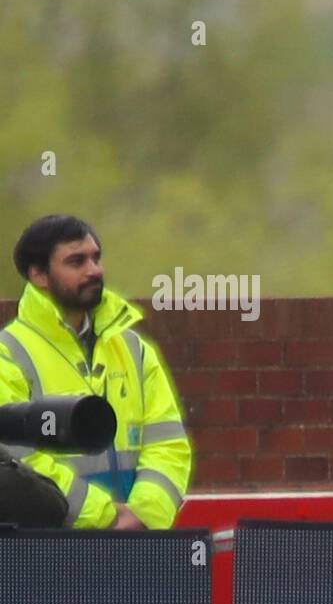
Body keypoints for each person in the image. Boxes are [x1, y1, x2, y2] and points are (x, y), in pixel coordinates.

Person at [0, 215, 192, 530]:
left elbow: (168, 443)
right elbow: (17, 460)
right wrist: (106, 516)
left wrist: (144, 514)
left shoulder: (135, 348)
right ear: (38, 274)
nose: (94, 270)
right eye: (77, 261)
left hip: (138, 543)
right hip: (50, 554)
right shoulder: (7, 354)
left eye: (96, 258)